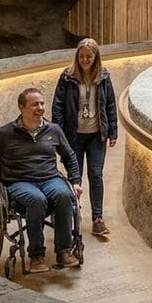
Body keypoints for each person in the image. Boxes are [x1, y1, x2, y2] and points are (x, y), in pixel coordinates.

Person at [0, 88, 83, 273]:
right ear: (21, 107)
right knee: (37, 199)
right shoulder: (5, 133)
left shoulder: (54, 130)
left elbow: (70, 156)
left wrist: (75, 181)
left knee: (65, 195)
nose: (40, 107)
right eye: (34, 104)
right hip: (18, 181)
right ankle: (36, 256)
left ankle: (64, 251)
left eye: (42, 103)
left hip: (49, 178)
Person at [52, 38, 118, 237]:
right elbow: (58, 106)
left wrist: (113, 131)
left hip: (97, 135)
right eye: (81, 56)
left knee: (96, 175)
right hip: (74, 136)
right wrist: (58, 134)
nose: (85, 60)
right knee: (75, 177)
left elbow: (110, 106)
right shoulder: (67, 77)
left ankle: (97, 218)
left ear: (96, 57)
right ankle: (74, 215)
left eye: (89, 56)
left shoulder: (104, 77)